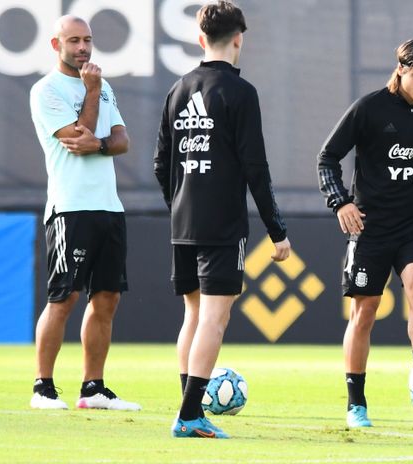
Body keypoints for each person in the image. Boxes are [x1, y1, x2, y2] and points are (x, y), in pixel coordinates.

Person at [154, 0, 291, 439]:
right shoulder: (240, 93)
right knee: (215, 317)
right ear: (239, 39)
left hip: (183, 222)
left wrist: (177, 204)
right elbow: (256, 168)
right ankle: (190, 415)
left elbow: (161, 163)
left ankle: (187, 408)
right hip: (222, 224)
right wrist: (277, 231)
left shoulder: (177, 89)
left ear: (200, 39)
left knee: (193, 315)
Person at [317, 38, 413, 428]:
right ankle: (356, 403)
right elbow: (327, 157)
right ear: (400, 70)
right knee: (365, 311)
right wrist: (341, 202)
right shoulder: (370, 108)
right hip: (371, 226)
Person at [28, 15, 140, 411]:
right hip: (70, 207)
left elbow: (122, 140)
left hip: (108, 206)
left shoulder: (103, 86)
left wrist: (100, 143)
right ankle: (43, 387)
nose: (83, 48)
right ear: (56, 45)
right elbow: (79, 135)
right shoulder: (46, 90)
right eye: (74, 40)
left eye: (88, 40)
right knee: (64, 297)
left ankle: (93, 388)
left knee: (106, 297)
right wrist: (90, 94)